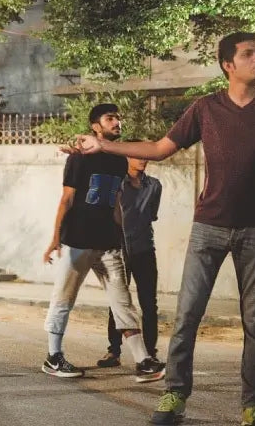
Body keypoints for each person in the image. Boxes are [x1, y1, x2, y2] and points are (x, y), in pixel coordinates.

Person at [68, 32, 255, 426]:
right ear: (228, 65)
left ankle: (253, 404)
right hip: (209, 227)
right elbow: (158, 149)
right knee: (188, 315)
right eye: (249, 53)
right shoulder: (206, 108)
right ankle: (174, 394)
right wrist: (104, 147)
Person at [42, 103, 165, 383]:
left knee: (123, 302)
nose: (117, 122)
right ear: (95, 126)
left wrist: (120, 235)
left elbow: (116, 202)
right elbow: (67, 199)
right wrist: (55, 238)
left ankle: (143, 360)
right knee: (64, 298)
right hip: (78, 240)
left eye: (118, 118)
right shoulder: (79, 159)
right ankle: (53, 356)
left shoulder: (119, 159)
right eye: (111, 118)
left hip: (108, 242)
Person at [97, 152, 162, 369]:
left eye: (145, 156)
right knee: (118, 303)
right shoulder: (117, 185)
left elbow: (152, 215)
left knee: (149, 304)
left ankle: (150, 353)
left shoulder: (154, 186)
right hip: (119, 250)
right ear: (127, 159)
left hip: (144, 250)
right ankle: (113, 351)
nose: (143, 159)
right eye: (137, 156)